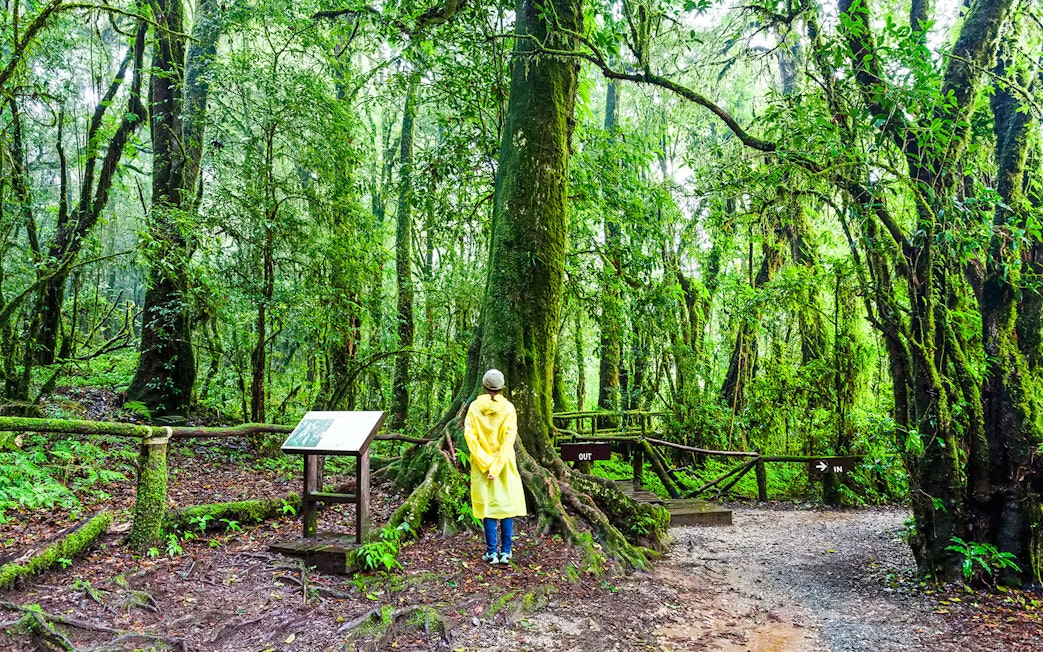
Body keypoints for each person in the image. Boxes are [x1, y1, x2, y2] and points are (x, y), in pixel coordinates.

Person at [463, 368, 527, 564]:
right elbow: (509, 440)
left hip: (481, 465)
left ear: (483, 387)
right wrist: (497, 466)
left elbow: (470, 437)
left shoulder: (474, 407)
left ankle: (491, 552)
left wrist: (485, 464)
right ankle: (506, 552)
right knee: (506, 507)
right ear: (502, 388)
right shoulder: (508, 408)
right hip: (504, 463)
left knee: (487, 507)